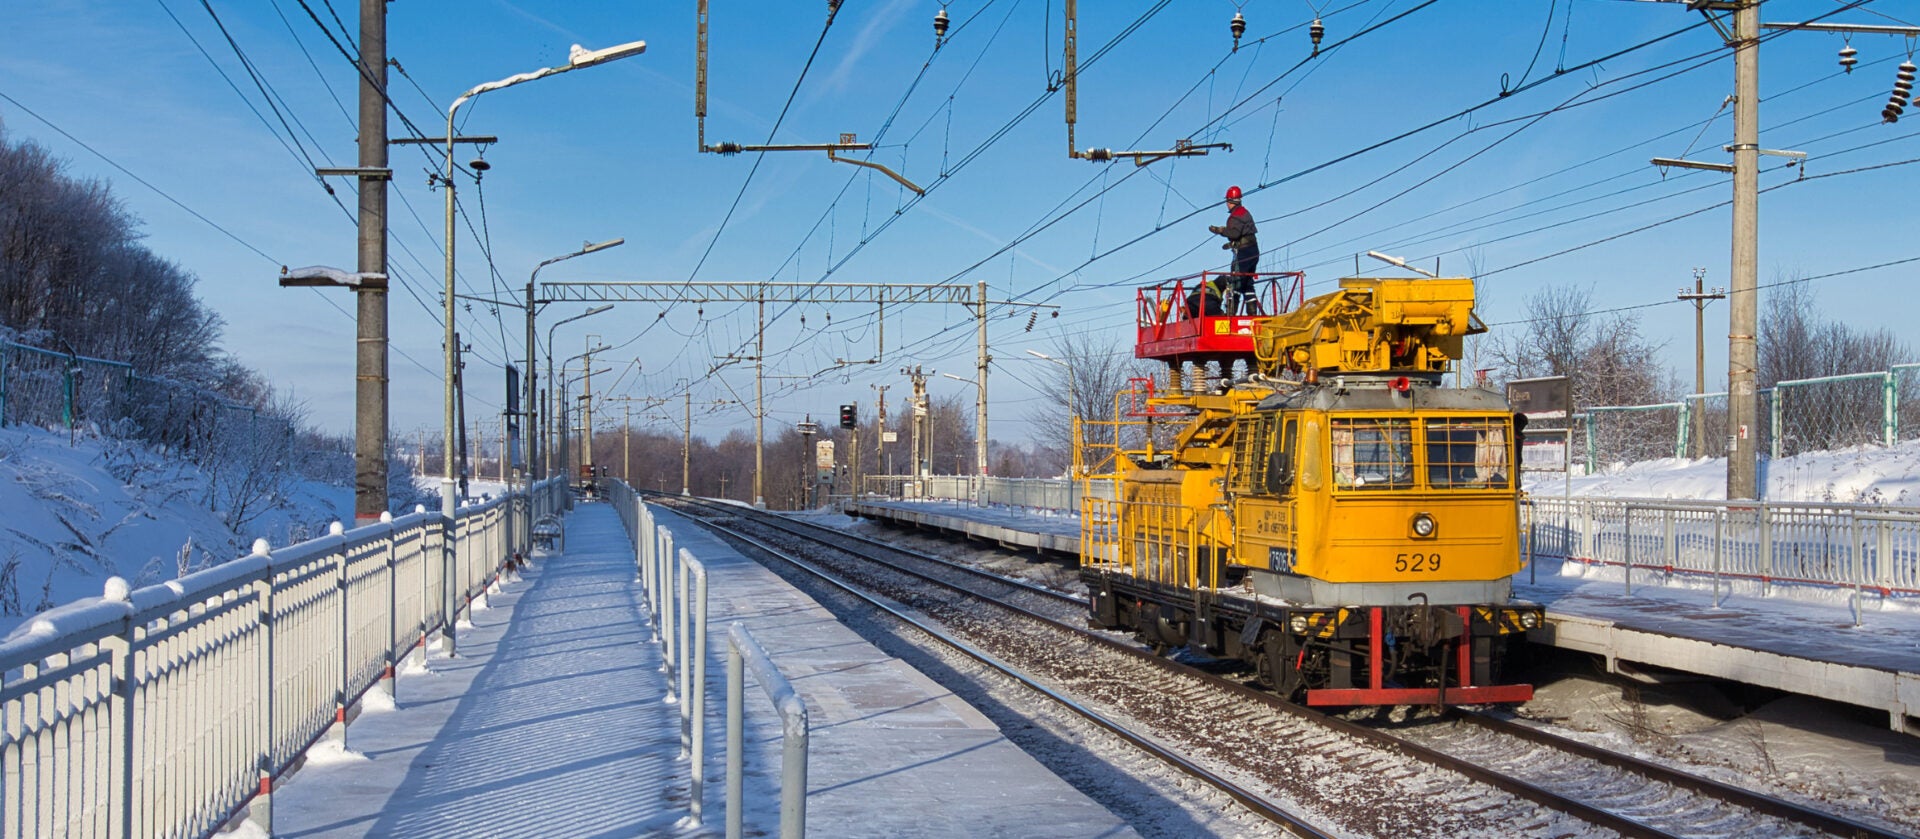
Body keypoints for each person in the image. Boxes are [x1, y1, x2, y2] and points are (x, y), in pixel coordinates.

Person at [1207, 185, 1261, 314]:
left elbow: (1235, 234)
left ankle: (1231, 313)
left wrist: (1220, 231)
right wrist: (1231, 244)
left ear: (1230, 201)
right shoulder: (1245, 213)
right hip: (1254, 251)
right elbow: (1244, 234)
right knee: (1247, 281)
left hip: (1243, 253)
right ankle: (1252, 312)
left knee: (1235, 281)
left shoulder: (1234, 217)